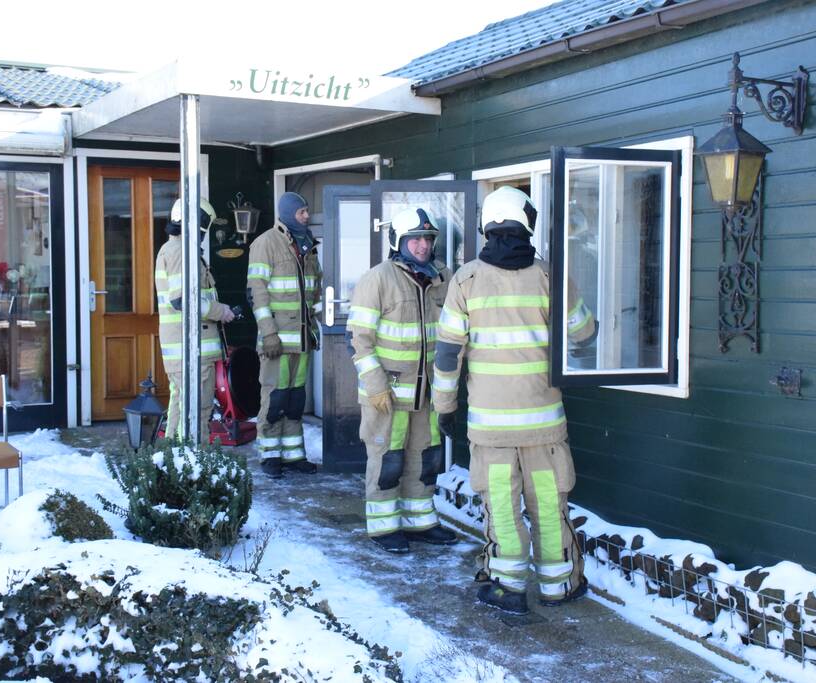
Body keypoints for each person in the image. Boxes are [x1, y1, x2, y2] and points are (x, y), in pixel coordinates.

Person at [432, 186, 597, 615]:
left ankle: (507, 588)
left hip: (491, 429)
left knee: (502, 507)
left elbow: (448, 355)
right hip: (544, 425)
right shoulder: (550, 277)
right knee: (548, 503)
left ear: (488, 224)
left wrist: (445, 408)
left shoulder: (464, 280)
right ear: (526, 222)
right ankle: (560, 585)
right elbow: (584, 333)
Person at [348, 208, 459, 554]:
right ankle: (384, 528)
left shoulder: (443, 277)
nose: (423, 246)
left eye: (428, 239)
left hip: (428, 394)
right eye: (416, 239)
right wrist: (376, 385)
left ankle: (420, 521)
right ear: (399, 241)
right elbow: (360, 341)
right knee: (388, 459)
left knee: (425, 457)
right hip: (389, 394)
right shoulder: (378, 278)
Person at [247, 192, 321, 478]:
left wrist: (315, 324)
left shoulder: (308, 246)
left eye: (306, 212)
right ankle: (270, 456)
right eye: (302, 212)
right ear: (289, 214)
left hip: (302, 342)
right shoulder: (265, 244)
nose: (306, 216)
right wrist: (268, 335)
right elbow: (258, 292)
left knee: (294, 400)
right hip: (276, 342)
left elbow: (315, 289)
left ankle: (293, 455)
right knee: (275, 399)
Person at [155, 198, 235, 443]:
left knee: (183, 408)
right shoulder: (180, 251)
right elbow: (182, 301)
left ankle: (175, 461)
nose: (204, 232)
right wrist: (223, 311)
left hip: (190, 352)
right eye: (204, 224)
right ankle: (186, 465)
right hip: (188, 353)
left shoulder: (178, 249)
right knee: (194, 412)